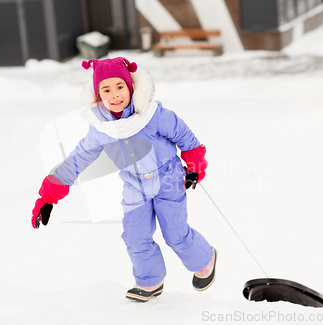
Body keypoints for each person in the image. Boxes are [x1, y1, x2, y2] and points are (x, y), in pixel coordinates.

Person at [31, 57, 217, 302]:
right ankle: (150, 282)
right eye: (106, 90)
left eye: (120, 87)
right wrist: (48, 197)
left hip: (168, 179)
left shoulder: (153, 115)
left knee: (175, 233)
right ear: (98, 96)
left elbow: (185, 137)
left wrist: (194, 165)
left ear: (130, 88)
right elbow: (76, 160)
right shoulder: (100, 129)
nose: (115, 95)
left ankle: (205, 260)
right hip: (134, 185)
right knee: (135, 235)